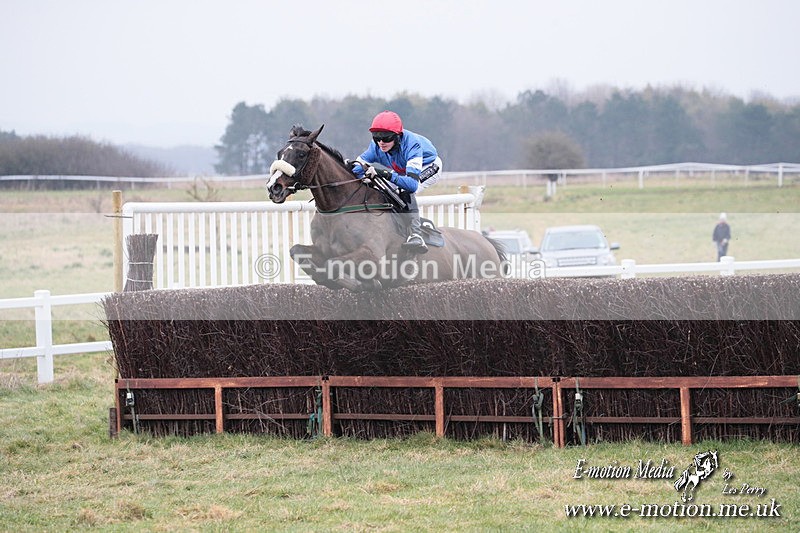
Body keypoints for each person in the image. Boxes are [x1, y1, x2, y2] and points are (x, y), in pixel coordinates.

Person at [349, 110, 443, 254]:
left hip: (429, 166)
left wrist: (383, 173)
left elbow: (411, 184)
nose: (381, 142)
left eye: (386, 137)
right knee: (380, 188)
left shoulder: (412, 145)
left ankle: (416, 234)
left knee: (404, 190)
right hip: (403, 170)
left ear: (397, 137)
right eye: (377, 137)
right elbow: (357, 168)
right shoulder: (376, 146)